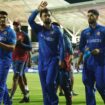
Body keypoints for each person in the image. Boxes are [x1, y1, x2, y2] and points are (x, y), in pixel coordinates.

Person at [28, 1, 64, 105]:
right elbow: (30, 20)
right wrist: (37, 9)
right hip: (42, 62)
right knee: (44, 87)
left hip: (53, 60)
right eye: (45, 15)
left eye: (49, 15)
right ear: (41, 18)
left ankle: (54, 102)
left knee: (49, 83)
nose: (47, 17)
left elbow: (62, 45)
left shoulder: (57, 30)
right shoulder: (39, 29)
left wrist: (61, 59)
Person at [77, 9, 105, 105]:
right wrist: (86, 50)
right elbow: (81, 47)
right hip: (88, 63)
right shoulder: (84, 32)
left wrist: (100, 50)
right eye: (88, 15)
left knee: (101, 86)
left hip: (101, 63)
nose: (89, 17)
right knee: (88, 85)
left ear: (97, 17)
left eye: (91, 15)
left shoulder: (103, 30)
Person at [10, 21, 32, 103]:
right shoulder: (12, 34)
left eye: (17, 25)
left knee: (15, 77)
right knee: (20, 78)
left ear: (20, 25)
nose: (16, 26)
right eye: (14, 25)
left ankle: (10, 97)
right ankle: (26, 95)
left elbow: (30, 47)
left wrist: (21, 44)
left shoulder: (25, 35)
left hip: (21, 58)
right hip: (13, 58)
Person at [0, 11, 16, 105]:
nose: (2, 19)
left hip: (4, 61)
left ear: (7, 19)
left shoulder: (10, 32)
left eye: (4, 17)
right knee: (2, 83)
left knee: (0, 84)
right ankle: (8, 103)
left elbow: (12, 48)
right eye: (0, 17)